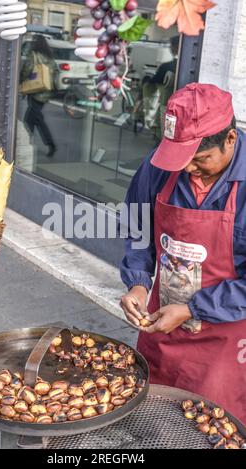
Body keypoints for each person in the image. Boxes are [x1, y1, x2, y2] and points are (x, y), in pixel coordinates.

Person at [120, 82, 246, 423]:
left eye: (200, 158)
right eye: (181, 158)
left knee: (214, 428)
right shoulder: (162, 166)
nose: (188, 168)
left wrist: (193, 308)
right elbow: (137, 227)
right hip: (163, 330)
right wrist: (137, 282)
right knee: (148, 421)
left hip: (226, 340)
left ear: (230, 139)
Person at [21, 35, 56, 157]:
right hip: (46, 90)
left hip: (36, 91)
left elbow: (27, 70)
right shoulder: (50, 56)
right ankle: (27, 143)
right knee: (30, 119)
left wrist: (20, 82)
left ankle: (50, 144)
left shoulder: (34, 55)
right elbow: (55, 72)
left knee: (37, 119)